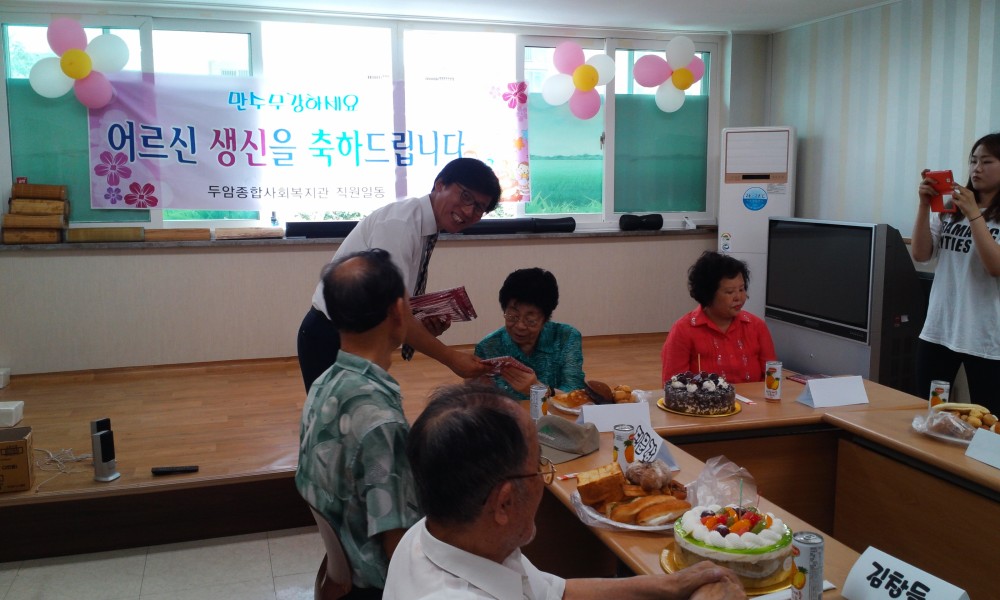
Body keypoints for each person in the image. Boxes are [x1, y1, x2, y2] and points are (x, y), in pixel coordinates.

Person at [383, 383, 746, 600]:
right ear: (504, 503)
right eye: (539, 467)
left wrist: (670, 585)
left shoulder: (440, 534)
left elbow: (555, 593)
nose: (544, 478)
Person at [297, 157, 502, 391]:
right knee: (340, 412)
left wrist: (419, 324)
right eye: (465, 197)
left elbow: (393, 304)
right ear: (440, 184)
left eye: (479, 208)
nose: (468, 211)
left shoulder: (423, 225)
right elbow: (390, 308)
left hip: (361, 339)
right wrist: (451, 358)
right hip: (332, 337)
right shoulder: (400, 224)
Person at [295, 249, 422, 597]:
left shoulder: (324, 383)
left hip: (343, 566)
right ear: (398, 311)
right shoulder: (380, 423)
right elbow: (396, 547)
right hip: (375, 584)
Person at [911, 133, 1000, 412]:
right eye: (973, 161)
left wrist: (975, 214)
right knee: (930, 410)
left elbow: (995, 267)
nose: (977, 168)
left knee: (988, 420)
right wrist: (924, 205)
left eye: (987, 161)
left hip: (986, 337)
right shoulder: (951, 208)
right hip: (939, 329)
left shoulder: (971, 210)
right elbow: (921, 254)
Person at [661, 251, 776, 384]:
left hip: (753, 398)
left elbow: (772, 378)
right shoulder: (683, 330)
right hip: (702, 398)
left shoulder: (756, 326)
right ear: (708, 294)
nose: (739, 297)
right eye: (730, 292)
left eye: (742, 289)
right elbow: (673, 385)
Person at [474, 268, 585, 399]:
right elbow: (480, 401)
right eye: (512, 316)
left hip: (554, 412)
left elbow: (575, 394)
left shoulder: (566, 337)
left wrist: (537, 388)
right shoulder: (488, 347)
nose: (520, 326)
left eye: (530, 320)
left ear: (545, 319)